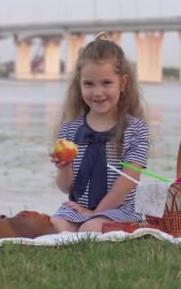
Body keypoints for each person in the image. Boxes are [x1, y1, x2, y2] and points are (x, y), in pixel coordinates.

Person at [50, 32, 150, 233]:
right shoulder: (70, 130)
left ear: (122, 83)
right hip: (77, 208)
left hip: (120, 209)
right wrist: (64, 167)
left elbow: (127, 182)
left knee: (90, 228)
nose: (97, 92)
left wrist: (94, 214)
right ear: (80, 84)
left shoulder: (135, 129)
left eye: (106, 83)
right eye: (89, 83)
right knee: (55, 227)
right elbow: (66, 187)